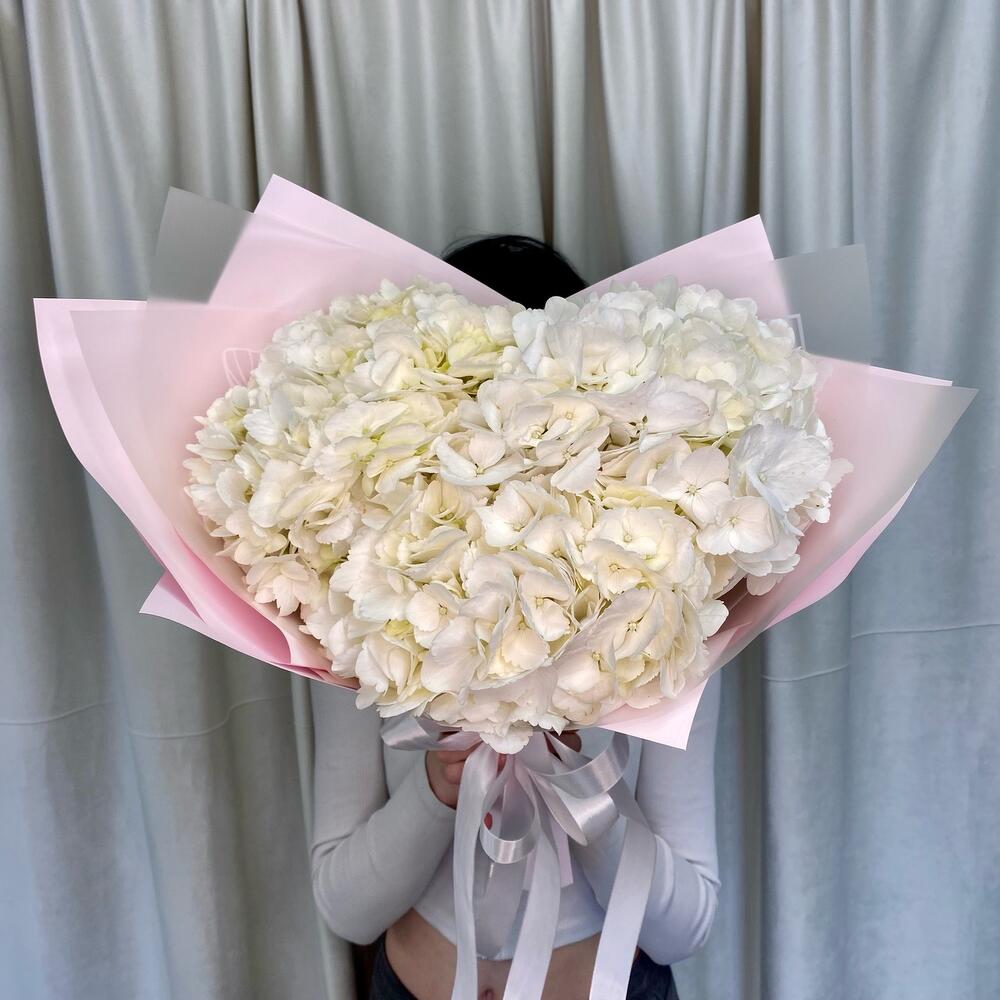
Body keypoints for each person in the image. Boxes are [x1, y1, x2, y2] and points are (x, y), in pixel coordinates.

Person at [309, 234, 722, 1000]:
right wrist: (437, 790)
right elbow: (345, 908)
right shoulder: (354, 601)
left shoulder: (664, 606)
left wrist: (577, 783)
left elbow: (684, 929)